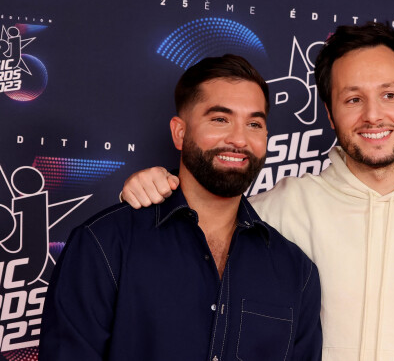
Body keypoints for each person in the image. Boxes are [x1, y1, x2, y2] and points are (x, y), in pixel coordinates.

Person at [121, 23, 394, 360]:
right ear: (330, 114)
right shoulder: (281, 208)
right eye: (353, 98)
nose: (373, 115)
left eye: (388, 95)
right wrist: (153, 187)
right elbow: (200, 218)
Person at [39, 54, 322, 361]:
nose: (239, 139)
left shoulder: (296, 271)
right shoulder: (105, 245)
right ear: (180, 132)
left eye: (254, 123)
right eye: (220, 119)